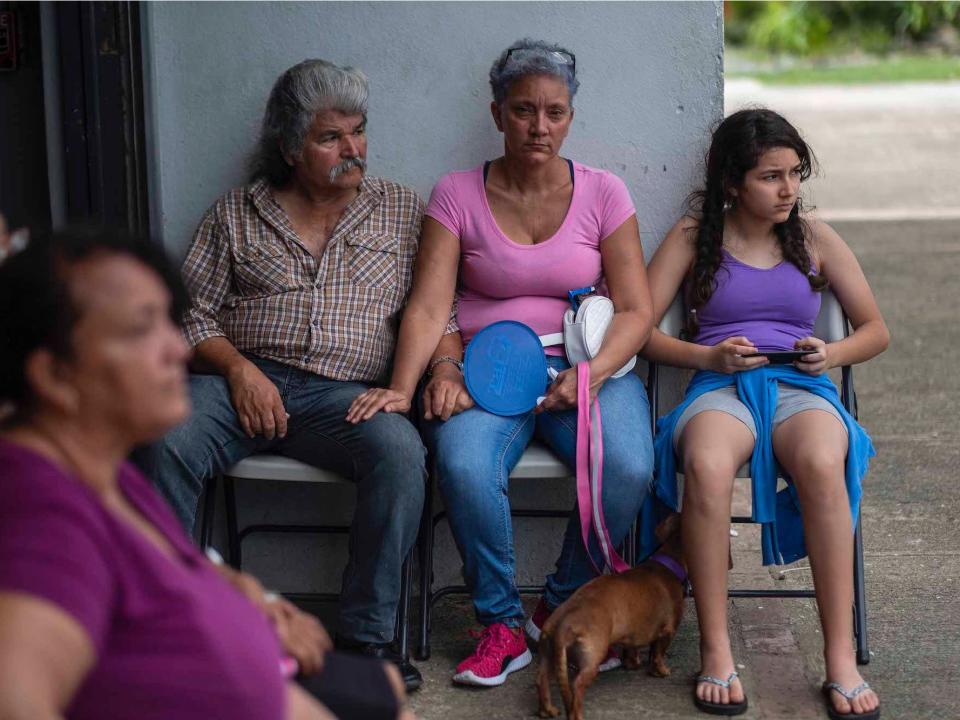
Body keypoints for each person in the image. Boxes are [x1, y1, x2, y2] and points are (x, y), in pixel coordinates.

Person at [0, 229, 413, 720]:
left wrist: (247, 597)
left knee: (382, 688)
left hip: (268, 676)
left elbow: (147, 567)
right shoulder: (45, 517)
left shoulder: (101, 471)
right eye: (140, 330)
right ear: (54, 376)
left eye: (170, 324)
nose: (178, 349)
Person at [347, 39, 655, 687]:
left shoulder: (604, 193)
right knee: (461, 462)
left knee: (628, 464)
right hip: (485, 374)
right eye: (522, 111)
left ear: (571, 116)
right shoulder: (457, 194)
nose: (538, 127)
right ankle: (501, 626)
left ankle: (562, 601)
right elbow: (429, 307)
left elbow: (635, 310)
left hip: (584, 369)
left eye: (554, 112)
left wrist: (589, 376)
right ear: (496, 113)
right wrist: (416, 382)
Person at [140, 59, 429, 690]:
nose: (352, 149)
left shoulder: (402, 210)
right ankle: (169, 625)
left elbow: (436, 311)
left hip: (345, 397)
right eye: (331, 137)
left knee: (400, 453)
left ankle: (365, 642)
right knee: (163, 435)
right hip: (236, 385)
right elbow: (184, 315)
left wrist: (440, 371)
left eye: (358, 130)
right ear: (290, 146)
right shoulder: (236, 214)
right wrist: (239, 370)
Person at [641, 109, 886, 718]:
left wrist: (830, 352)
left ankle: (839, 658)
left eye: (795, 174)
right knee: (705, 462)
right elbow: (638, 331)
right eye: (770, 176)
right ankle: (718, 653)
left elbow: (876, 331)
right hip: (722, 386)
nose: (788, 190)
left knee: (826, 460)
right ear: (732, 182)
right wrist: (709, 356)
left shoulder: (815, 238)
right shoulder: (693, 236)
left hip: (801, 386)